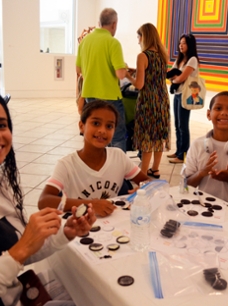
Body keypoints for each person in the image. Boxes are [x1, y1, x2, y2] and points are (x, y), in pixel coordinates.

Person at [0, 91, 95, 306]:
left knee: (97, 295)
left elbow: (24, 250)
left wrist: (65, 233)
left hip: (20, 302)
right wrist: (18, 252)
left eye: (2, 124)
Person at [38, 100, 149, 217]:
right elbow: (44, 201)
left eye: (109, 126)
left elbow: (147, 181)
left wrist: (144, 189)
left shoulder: (118, 156)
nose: (102, 130)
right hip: (79, 228)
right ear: (81, 126)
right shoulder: (66, 164)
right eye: (96, 123)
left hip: (112, 224)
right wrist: (89, 204)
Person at [76, 8, 128, 152]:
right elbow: (120, 74)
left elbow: (79, 70)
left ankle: (97, 167)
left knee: (95, 134)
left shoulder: (85, 41)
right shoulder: (113, 43)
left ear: (99, 22)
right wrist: (123, 67)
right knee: (116, 136)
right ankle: (117, 172)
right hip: (110, 97)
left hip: (90, 96)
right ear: (114, 24)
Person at [125, 23, 170, 179]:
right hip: (162, 100)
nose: (138, 41)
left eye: (139, 36)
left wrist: (127, 75)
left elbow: (139, 84)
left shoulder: (142, 56)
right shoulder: (163, 55)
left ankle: (143, 173)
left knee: (147, 139)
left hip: (148, 102)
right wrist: (136, 71)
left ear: (144, 36)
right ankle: (155, 169)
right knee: (158, 137)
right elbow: (155, 75)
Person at [167, 33, 200, 164]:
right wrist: (175, 78)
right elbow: (170, 75)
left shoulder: (192, 60)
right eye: (180, 43)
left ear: (190, 45)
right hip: (177, 94)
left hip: (186, 95)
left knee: (183, 125)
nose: (181, 45)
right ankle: (179, 151)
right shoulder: (179, 59)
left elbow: (181, 78)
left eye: (184, 43)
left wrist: (175, 78)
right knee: (177, 125)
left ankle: (183, 155)